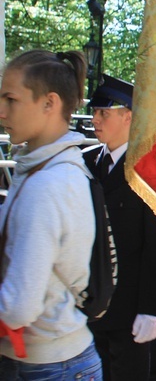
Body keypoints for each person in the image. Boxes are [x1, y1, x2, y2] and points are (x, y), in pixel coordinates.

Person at [0, 50, 103, 379]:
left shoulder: (48, 183)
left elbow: (19, 307)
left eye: (11, 99)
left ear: (50, 103)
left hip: (52, 366)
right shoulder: (41, 170)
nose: (3, 112)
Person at [84, 74, 156, 381]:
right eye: (95, 112)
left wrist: (153, 308)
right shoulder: (86, 162)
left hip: (129, 310)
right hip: (90, 303)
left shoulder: (149, 168)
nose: (95, 119)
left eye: (104, 113)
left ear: (129, 116)